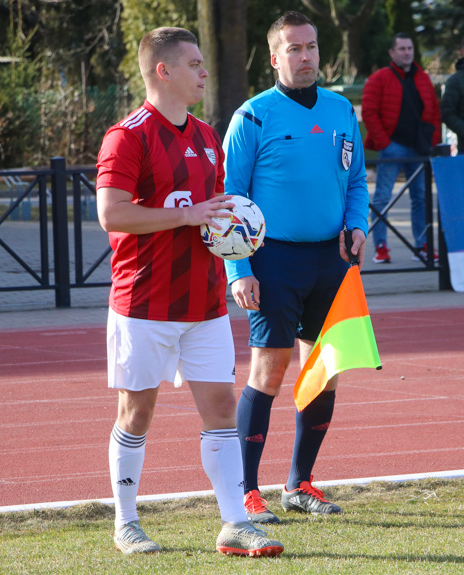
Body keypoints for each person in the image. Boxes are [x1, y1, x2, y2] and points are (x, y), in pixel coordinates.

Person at [95, 26, 284, 558]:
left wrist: (233, 226)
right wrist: (189, 214)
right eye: (195, 63)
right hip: (144, 302)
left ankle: (233, 524)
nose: (205, 71)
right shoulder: (127, 136)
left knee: (222, 404)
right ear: (164, 71)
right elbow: (111, 213)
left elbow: (211, 213)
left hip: (203, 301)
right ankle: (126, 523)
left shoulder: (205, 135)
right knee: (137, 412)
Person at [222, 11, 369, 524]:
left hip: (332, 259)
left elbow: (356, 182)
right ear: (274, 57)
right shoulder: (252, 117)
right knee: (269, 370)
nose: (305, 57)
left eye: (311, 48)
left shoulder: (341, 110)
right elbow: (229, 202)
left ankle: (300, 483)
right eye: (294, 49)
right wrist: (239, 271)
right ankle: (244, 492)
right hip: (272, 259)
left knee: (326, 371)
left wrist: (357, 225)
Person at [362, 33, 441, 264]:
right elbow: (369, 113)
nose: (407, 52)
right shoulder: (379, 78)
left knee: (421, 198)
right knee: (383, 198)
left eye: (410, 48)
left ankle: (423, 246)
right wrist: (385, 143)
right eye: (402, 48)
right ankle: (381, 247)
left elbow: (435, 112)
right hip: (393, 147)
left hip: (419, 148)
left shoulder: (423, 78)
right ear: (392, 52)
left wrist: (432, 141)